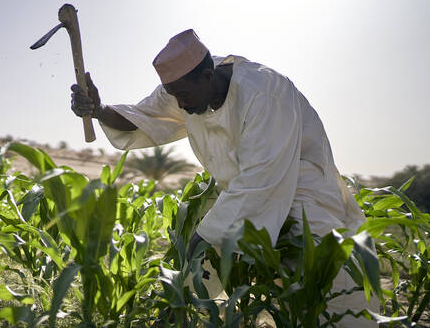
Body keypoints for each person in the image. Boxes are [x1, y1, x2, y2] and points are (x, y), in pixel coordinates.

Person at [70, 29, 377, 327]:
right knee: (213, 263)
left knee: (327, 287)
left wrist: (206, 235)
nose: (180, 106)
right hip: (241, 197)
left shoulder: (263, 93)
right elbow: (145, 116)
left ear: (208, 76)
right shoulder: (185, 87)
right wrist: (100, 109)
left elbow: (260, 179)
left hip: (302, 195)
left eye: (184, 97)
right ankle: (178, 312)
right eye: (174, 97)